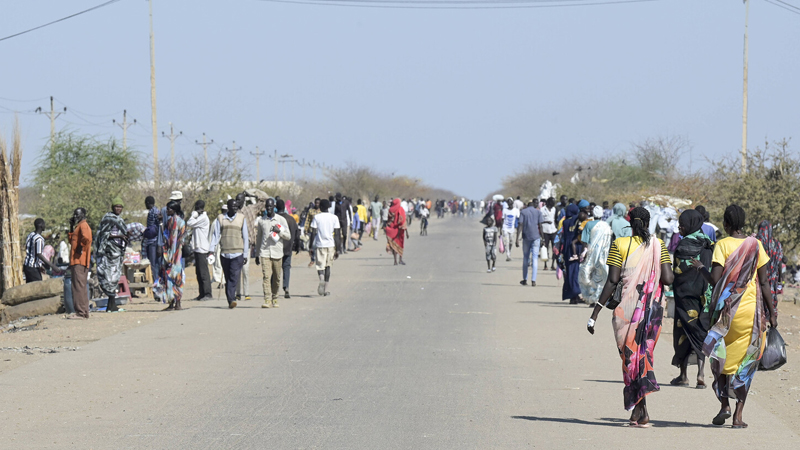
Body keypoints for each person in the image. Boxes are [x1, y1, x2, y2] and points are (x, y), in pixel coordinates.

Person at [690, 205, 777, 429]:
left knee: (720, 355)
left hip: (726, 313)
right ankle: (738, 416)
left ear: (726, 224)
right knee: (746, 361)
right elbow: (765, 283)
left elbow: (716, 282)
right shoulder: (756, 245)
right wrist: (771, 313)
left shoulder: (722, 245)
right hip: (749, 312)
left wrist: (700, 267)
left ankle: (724, 406)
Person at [586, 207, 674, 426]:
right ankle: (639, 409)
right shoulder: (658, 245)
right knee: (642, 357)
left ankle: (640, 409)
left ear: (630, 222)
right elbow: (669, 278)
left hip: (625, 311)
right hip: (652, 312)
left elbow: (612, 280)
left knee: (630, 358)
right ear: (648, 222)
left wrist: (595, 312)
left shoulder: (620, 244)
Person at [670, 209, 713, 389]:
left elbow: (677, 274)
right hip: (703, 297)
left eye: (683, 224)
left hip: (684, 297)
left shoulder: (682, 246)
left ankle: (683, 375)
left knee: (683, 333)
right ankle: (701, 374)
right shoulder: (709, 244)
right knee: (700, 332)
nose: (680, 227)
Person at [209, 199, 249, 309]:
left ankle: (232, 299)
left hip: (238, 253)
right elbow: (216, 235)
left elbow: (245, 237)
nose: (235, 208)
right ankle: (230, 298)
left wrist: (245, 254)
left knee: (234, 276)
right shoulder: (221, 218)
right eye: (233, 206)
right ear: (229, 207)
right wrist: (211, 250)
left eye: (237, 206)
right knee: (228, 277)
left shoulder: (241, 218)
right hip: (225, 254)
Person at [95, 198, 129, 313]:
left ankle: (111, 305)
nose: (118, 209)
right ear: (112, 207)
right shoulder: (108, 218)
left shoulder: (119, 219)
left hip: (117, 252)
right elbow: (103, 235)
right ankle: (112, 305)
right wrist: (119, 237)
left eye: (120, 207)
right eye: (116, 206)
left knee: (115, 276)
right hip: (109, 252)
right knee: (109, 276)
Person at [256, 198, 291, 308]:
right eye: (267, 206)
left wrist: (279, 231)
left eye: (271, 206)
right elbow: (259, 238)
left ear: (274, 207)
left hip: (277, 252)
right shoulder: (262, 221)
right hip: (265, 252)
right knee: (266, 277)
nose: (269, 208)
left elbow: (288, 236)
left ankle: (275, 297)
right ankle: (267, 299)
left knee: (276, 277)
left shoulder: (281, 220)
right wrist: (257, 254)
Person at [578, 206, 613, 305]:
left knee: (589, 275)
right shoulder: (606, 225)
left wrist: (583, 253)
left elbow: (584, 241)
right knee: (600, 276)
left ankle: (590, 298)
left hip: (590, 254)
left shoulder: (589, 225)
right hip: (603, 255)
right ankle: (597, 298)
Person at [157, 201, 187, 310]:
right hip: (168, 253)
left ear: (174, 209)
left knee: (177, 277)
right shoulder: (169, 221)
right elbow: (165, 235)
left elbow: (182, 238)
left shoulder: (181, 222)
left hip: (177, 253)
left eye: (169, 209)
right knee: (168, 277)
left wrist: (176, 250)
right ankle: (171, 302)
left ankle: (178, 302)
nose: (167, 211)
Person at [310, 199, 341, 296]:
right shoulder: (334, 218)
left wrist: (311, 246)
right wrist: (338, 249)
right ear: (328, 207)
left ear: (320, 207)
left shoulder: (317, 217)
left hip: (320, 245)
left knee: (320, 266)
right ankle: (325, 289)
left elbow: (313, 232)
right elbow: (337, 234)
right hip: (331, 245)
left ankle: (321, 279)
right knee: (328, 267)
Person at [66, 208, 92, 320]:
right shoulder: (78, 226)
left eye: (78, 214)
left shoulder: (83, 225)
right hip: (77, 260)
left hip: (79, 260)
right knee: (80, 286)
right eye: (75, 214)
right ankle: (83, 311)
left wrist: (80, 248)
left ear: (83, 215)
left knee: (78, 286)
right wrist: (71, 226)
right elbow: (71, 240)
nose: (75, 216)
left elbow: (86, 238)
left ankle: (81, 313)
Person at [756, 220, 784, 318]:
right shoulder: (777, 245)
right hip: (772, 283)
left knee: (758, 311)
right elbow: (780, 265)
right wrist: (780, 281)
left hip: (758, 282)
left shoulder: (755, 243)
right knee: (770, 306)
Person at [186, 199, 212, 301]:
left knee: (203, 272)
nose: (197, 209)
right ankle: (201, 293)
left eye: (198, 208)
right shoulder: (200, 217)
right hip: (197, 247)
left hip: (202, 248)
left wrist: (193, 215)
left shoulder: (203, 218)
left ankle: (207, 293)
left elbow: (190, 223)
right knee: (198, 272)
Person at [236, 192, 259, 301]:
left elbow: (264, 200)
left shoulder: (250, 209)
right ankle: (238, 293)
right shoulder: (234, 212)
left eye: (239, 199)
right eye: (236, 199)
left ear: (244, 200)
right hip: (236, 244)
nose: (237, 201)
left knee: (245, 269)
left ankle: (247, 293)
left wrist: (252, 193)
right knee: (237, 270)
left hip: (247, 244)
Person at [559, 204, 584, 304]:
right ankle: (575, 294)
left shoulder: (565, 222)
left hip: (567, 248)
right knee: (575, 272)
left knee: (570, 272)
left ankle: (573, 295)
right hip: (576, 247)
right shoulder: (578, 220)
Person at [516, 201, 544, 287]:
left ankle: (525, 279)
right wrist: (542, 238)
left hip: (526, 237)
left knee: (525, 258)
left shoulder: (523, 212)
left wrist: (517, 238)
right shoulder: (538, 212)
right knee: (535, 258)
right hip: (536, 237)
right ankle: (533, 280)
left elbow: (520, 224)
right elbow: (540, 225)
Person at [276, 199, 299, 299]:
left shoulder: (275, 219)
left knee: (275, 269)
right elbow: (297, 234)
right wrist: (297, 246)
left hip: (276, 248)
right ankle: (286, 287)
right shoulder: (291, 219)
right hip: (288, 248)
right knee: (286, 267)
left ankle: (274, 288)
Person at [23, 218, 58, 283]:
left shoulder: (30, 235)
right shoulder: (39, 239)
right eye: (44, 224)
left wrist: (40, 265)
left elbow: (31, 252)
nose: (45, 226)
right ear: (41, 226)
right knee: (37, 288)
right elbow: (39, 254)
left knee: (30, 287)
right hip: (33, 268)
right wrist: (53, 266)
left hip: (27, 266)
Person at [142, 196, 161, 283]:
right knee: (151, 263)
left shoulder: (155, 212)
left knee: (154, 264)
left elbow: (160, 226)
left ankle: (156, 283)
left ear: (148, 203)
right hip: (150, 241)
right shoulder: (152, 211)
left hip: (154, 241)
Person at [385, 199, 409, 266]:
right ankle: (400, 260)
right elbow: (402, 220)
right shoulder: (400, 209)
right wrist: (406, 231)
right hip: (399, 230)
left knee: (393, 246)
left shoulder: (390, 210)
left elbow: (388, 220)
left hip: (391, 230)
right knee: (400, 244)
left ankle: (395, 261)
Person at [540, 197, 558, 271]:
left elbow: (555, 219)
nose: (554, 203)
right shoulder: (542, 210)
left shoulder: (554, 209)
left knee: (554, 248)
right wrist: (546, 222)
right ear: (549, 202)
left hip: (553, 230)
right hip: (545, 231)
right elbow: (540, 221)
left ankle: (553, 264)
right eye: (552, 202)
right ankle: (545, 264)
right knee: (545, 248)